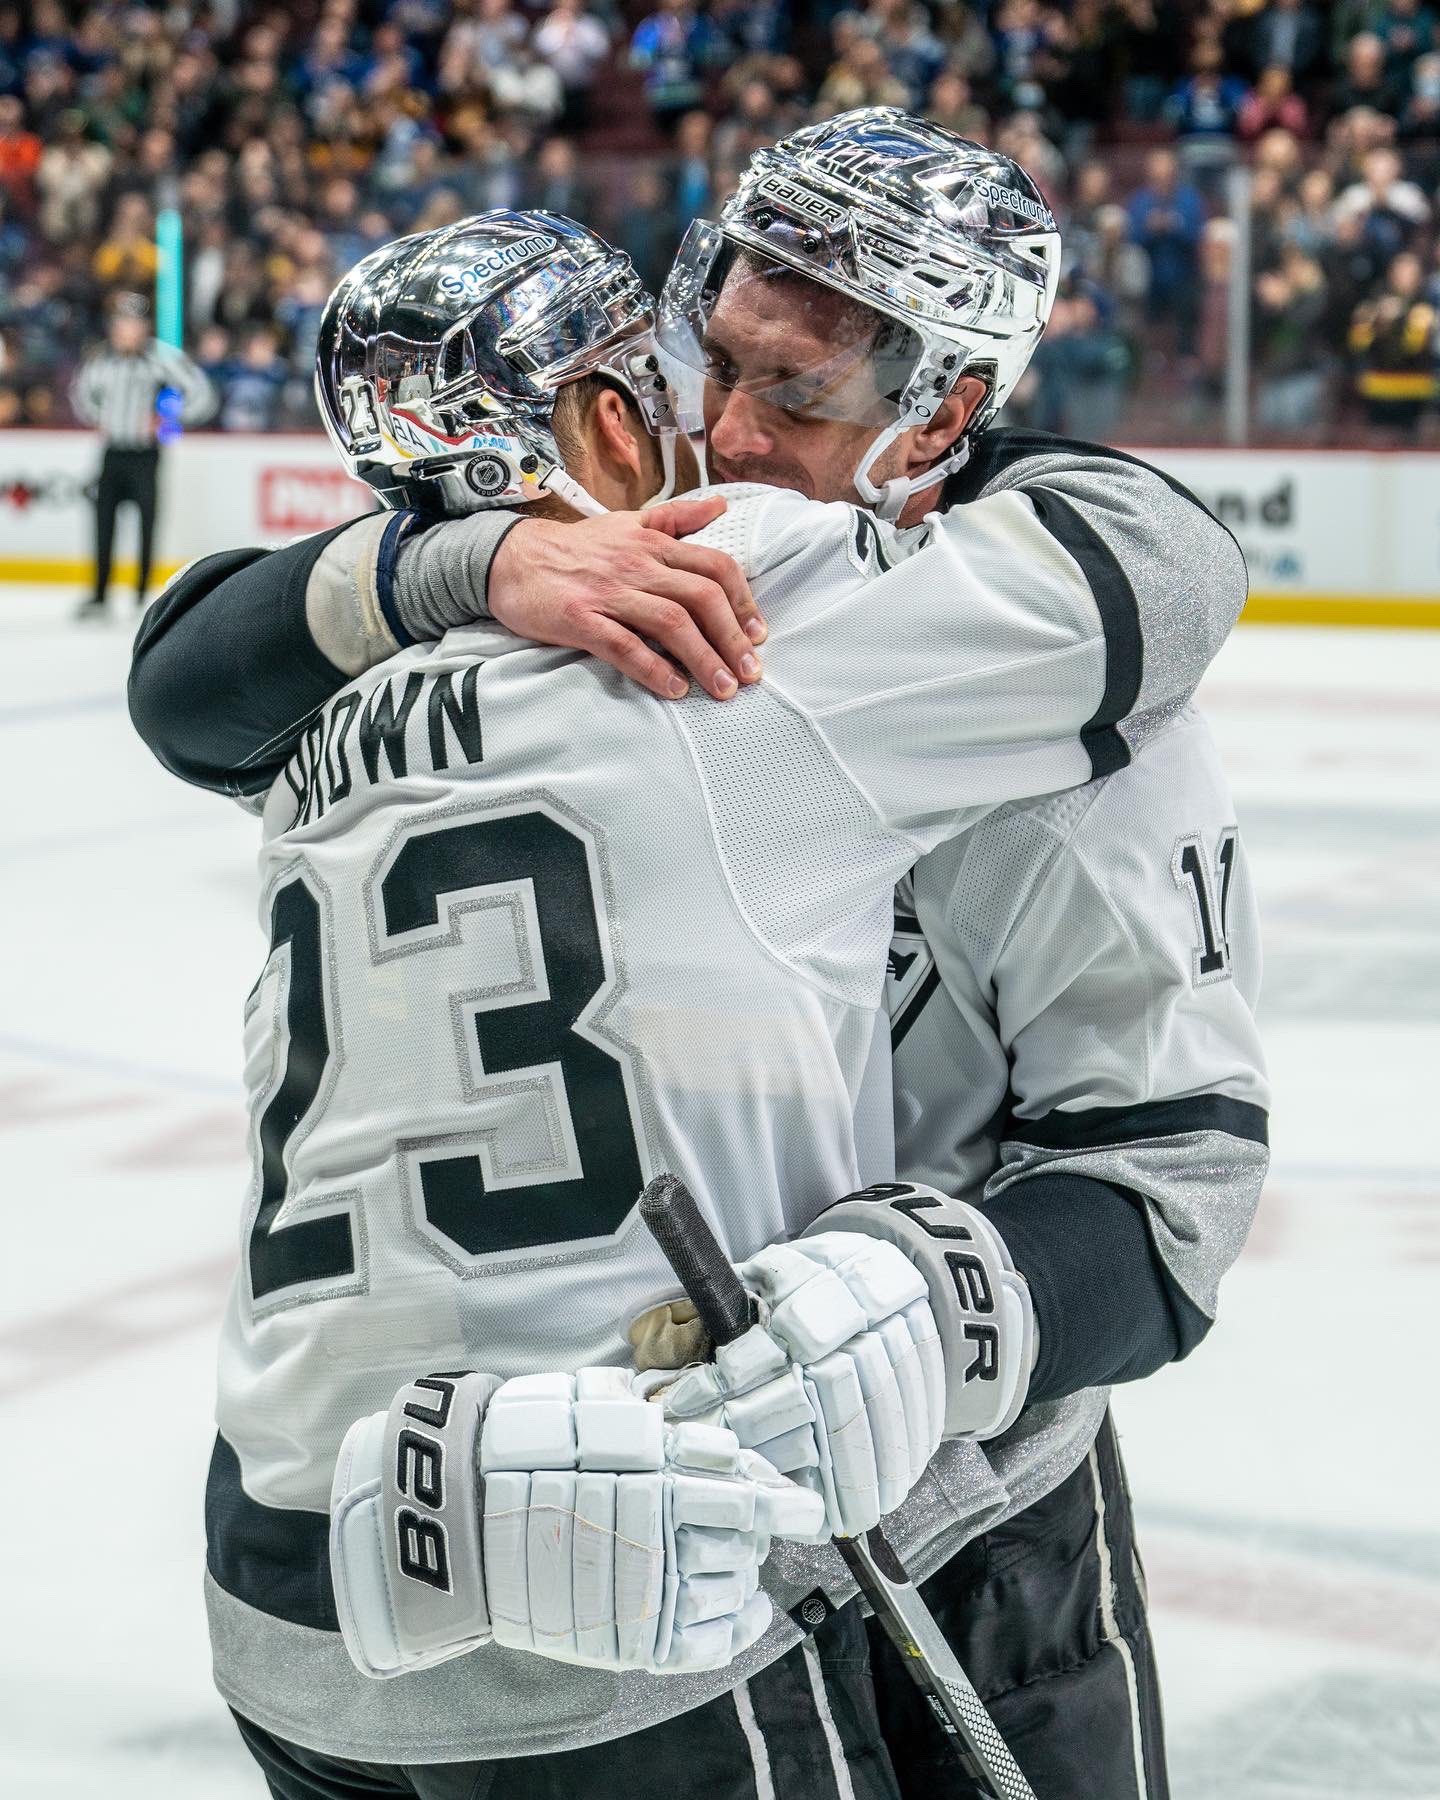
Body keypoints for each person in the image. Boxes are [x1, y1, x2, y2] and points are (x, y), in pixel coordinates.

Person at [130, 114, 1266, 1798]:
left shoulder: (1062, 708)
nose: (723, 432)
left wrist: (951, 1303)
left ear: (947, 411)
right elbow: (189, 683)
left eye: (795, 396)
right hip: (677, 1513)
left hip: (966, 1508)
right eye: (708, 363)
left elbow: (1170, 1177)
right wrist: (483, 559)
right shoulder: (621, 593)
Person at [69, 292, 214, 619]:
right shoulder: (101, 360)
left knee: (147, 522)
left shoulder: (161, 360)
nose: (125, 330)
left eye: (132, 323)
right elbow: (81, 395)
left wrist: (169, 420)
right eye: (120, 322)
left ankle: (139, 593)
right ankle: (99, 593)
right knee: (103, 522)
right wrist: (101, 416)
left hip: (145, 454)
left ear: (144, 326)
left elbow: (201, 394)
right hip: (113, 451)